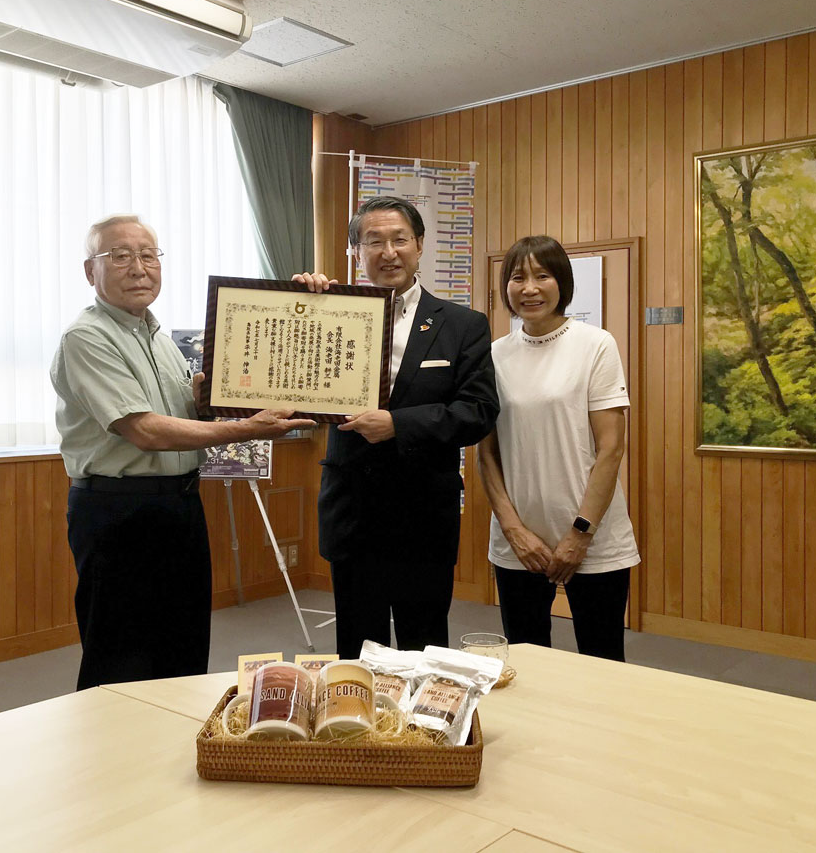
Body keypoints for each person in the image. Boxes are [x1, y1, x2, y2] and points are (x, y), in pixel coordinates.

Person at [51, 214, 313, 690]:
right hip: (118, 513)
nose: (138, 268)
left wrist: (204, 399)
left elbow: (180, 416)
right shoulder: (86, 337)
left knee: (183, 645)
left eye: (148, 255)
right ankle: (117, 764)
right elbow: (145, 431)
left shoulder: (158, 337)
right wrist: (248, 428)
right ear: (91, 271)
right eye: (121, 256)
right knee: (121, 656)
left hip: (180, 505)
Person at [294, 196, 499, 659]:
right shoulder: (328, 311)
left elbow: (479, 411)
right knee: (356, 651)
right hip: (354, 511)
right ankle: (358, 732)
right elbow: (285, 375)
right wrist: (294, 305)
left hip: (423, 513)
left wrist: (398, 425)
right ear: (355, 252)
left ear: (420, 245)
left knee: (424, 646)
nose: (388, 252)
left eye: (399, 239)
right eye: (374, 241)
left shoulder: (463, 325)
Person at [477, 235, 639, 661]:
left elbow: (611, 449)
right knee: (528, 663)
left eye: (541, 276)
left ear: (561, 283)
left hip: (593, 540)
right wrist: (513, 529)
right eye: (517, 277)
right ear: (506, 288)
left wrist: (579, 533)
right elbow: (487, 453)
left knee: (603, 663)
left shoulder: (595, 345)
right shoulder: (493, 356)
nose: (529, 288)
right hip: (519, 545)